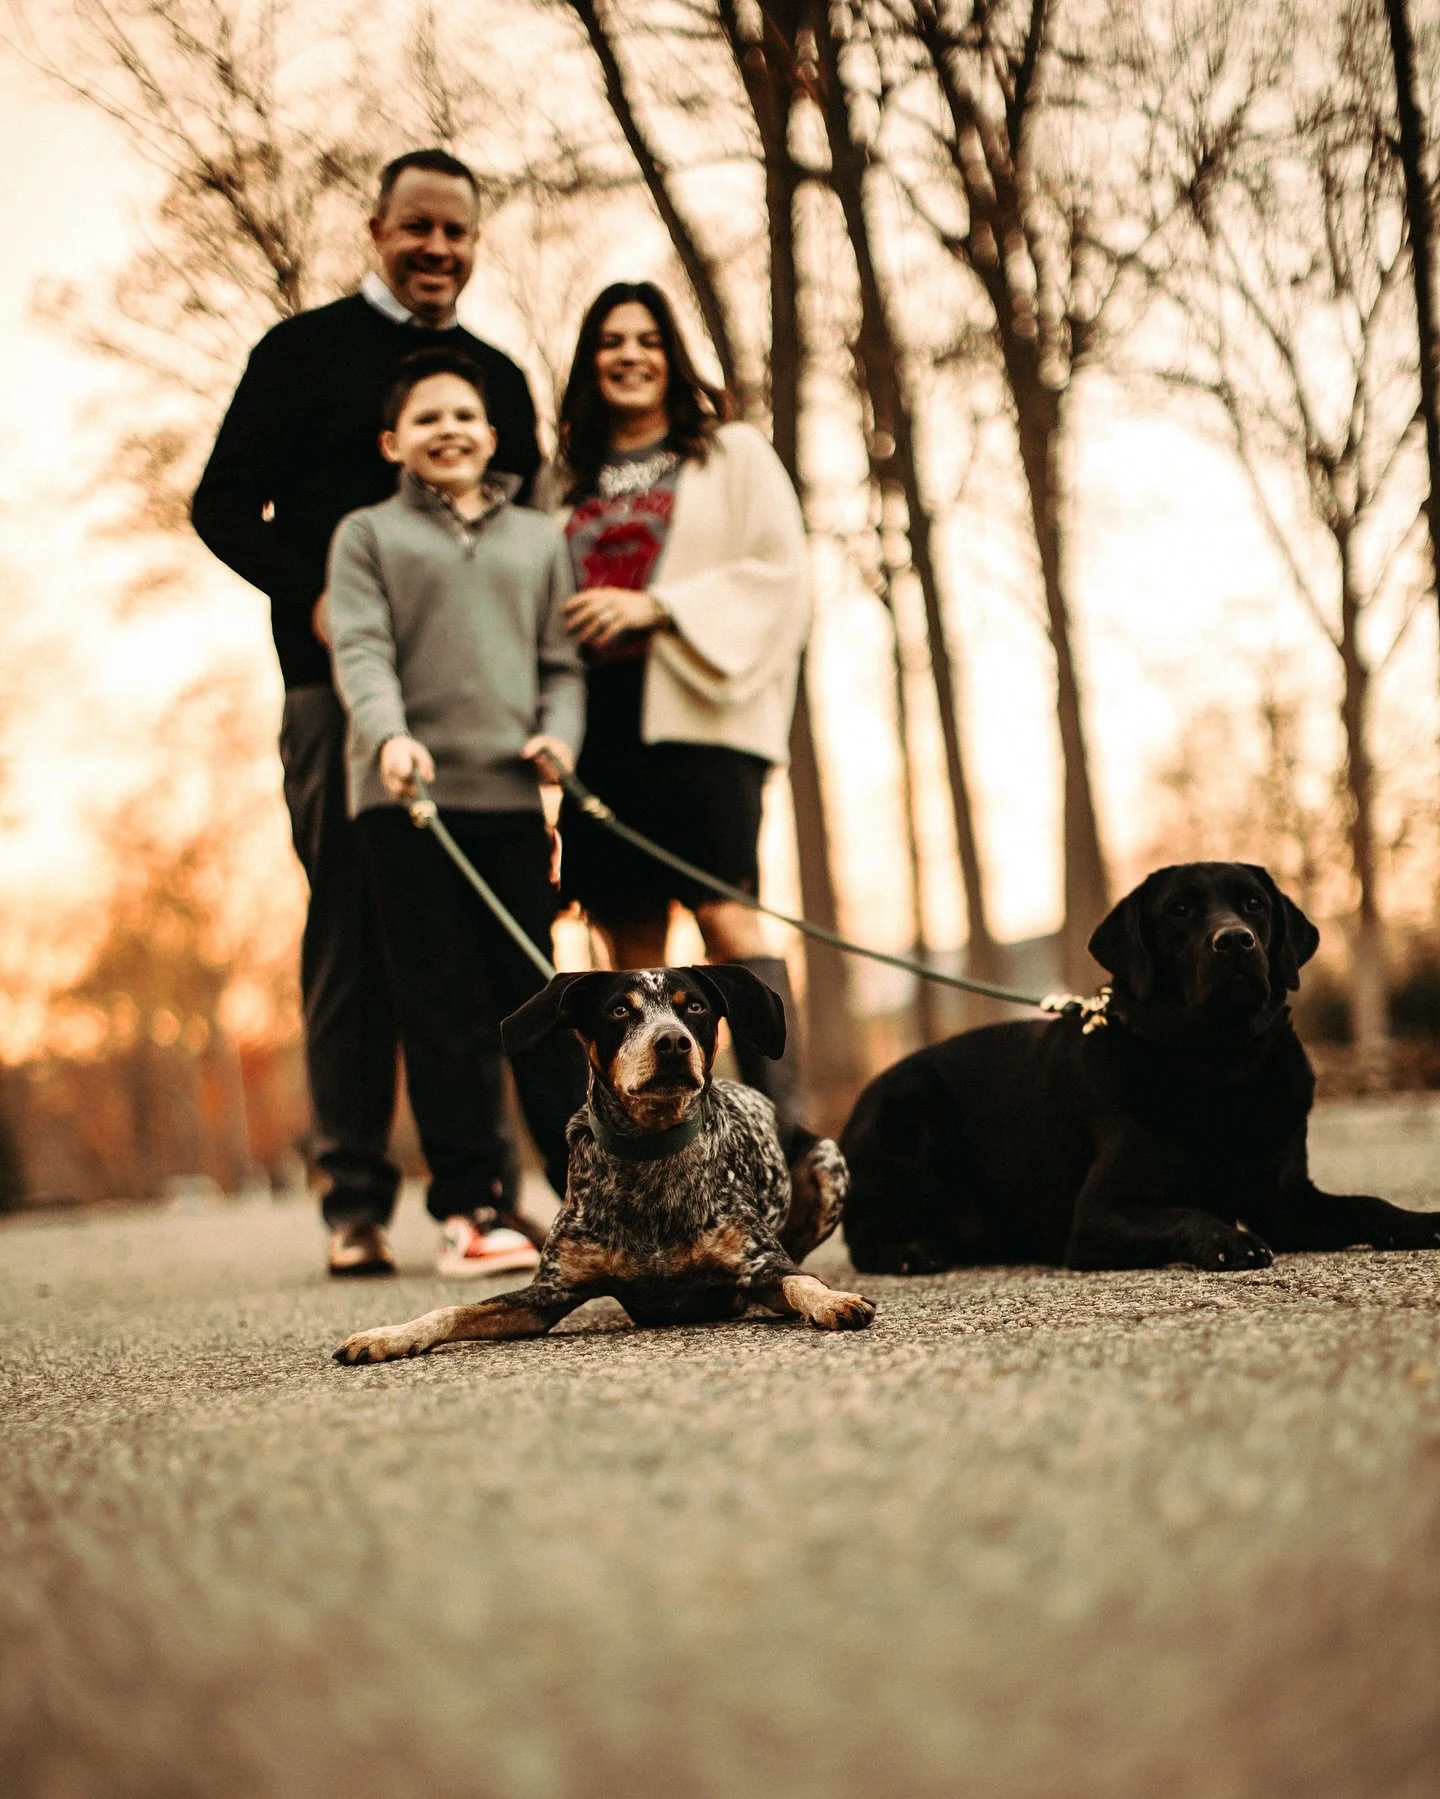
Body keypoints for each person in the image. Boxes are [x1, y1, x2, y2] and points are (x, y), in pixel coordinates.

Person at [190, 149, 543, 1276]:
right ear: (376, 229)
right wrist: (316, 594)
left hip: (474, 702)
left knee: (479, 948)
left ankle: (483, 1195)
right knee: (352, 935)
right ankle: (353, 1197)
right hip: (332, 691)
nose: (437, 248)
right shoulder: (299, 354)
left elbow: (528, 520)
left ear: (474, 244)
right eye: (417, 227)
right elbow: (219, 504)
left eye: (457, 232)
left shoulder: (496, 377)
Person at [327, 348, 587, 1278]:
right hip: (407, 802)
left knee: (538, 997)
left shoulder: (539, 539)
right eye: (427, 418)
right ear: (393, 442)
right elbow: (361, 648)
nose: (449, 431)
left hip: (510, 799)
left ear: (492, 434)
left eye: (465, 416)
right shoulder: (367, 535)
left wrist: (559, 738)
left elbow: (561, 664)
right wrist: (390, 736)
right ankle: (472, 1207)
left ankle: (591, 1190)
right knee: (439, 1004)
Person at [554, 281, 811, 1150]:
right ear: (590, 362)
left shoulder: (731, 453)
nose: (629, 355)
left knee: (728, 917)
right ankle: (657, 1154)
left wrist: (656, 606)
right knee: (629, 945)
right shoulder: (563, 479)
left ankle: (783, 1139)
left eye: (647, 339)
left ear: (672, 356)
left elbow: (781, 571)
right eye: (611, 341)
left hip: (702, 720)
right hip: (598, 729)